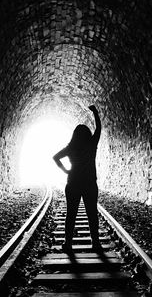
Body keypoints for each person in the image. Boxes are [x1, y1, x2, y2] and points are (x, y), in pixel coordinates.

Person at [53, 105, 102, 253]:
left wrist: (65, 170)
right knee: (92, 213)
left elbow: (55, 157)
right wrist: (95, 113)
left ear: (74, 135)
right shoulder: (91, 144)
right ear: (87, 134)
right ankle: (96, 243)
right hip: (89, 184)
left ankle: (68, 243)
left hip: (73, 183)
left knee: (71, 214)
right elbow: (99, 129)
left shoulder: (71, 147)